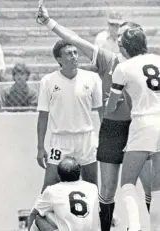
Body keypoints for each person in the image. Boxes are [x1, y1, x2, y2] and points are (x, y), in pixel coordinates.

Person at [36, 7, 152, 231]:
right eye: (117, 35)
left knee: (149, 185)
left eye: (122, 35)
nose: (118, 39)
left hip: (139, 127)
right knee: (106, 189)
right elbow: (74, 39)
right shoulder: (109, 60)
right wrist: (50, 22)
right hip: (113, 129)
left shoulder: (146, 63)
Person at [107, 28, 160, 231]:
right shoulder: (157, 59)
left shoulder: (123, 67)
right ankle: (155, 227)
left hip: (143, 122)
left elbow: (111, 105)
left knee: (127, 183)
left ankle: (135, 227)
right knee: (157, 186)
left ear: (126, 48)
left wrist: (114, 103)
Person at [37, 39, 102, 192]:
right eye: (68, 54)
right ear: (59, 59)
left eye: (75, 52)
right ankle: (36, 216)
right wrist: (40, 147)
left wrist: (106, 140)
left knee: (92, 188)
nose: (74, 56)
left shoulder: (92, 78)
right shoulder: (48, 81)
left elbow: (102, 112)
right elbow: (43, 116)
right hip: (60, 140)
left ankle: (97, 216)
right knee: (48, 189)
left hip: (86, 139)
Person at [29, 156, 99, 231]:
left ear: (59, 176)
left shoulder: (52, 190)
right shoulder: (93, 188)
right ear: (79, 173)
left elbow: (34, 213)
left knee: (38, 217)